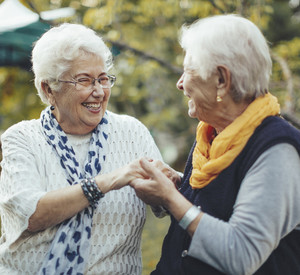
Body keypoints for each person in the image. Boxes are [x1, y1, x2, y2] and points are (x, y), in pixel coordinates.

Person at [130, 14, 300, 275]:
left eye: (188, 71)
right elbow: (218, 201)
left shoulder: (277, 149)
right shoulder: (212, 135)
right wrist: (173, 185)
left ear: (221, 80)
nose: (180, 83)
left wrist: (171, 197)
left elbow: (242, 254)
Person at [0, 23, 164, 275]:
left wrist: (169, 185)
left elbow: (165, 204)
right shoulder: (23, 138)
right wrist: (105, 182)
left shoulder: (132, 133)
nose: (99, 91)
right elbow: (31, 215)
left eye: (103, 79)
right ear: (48, 88)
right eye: (84, 80)